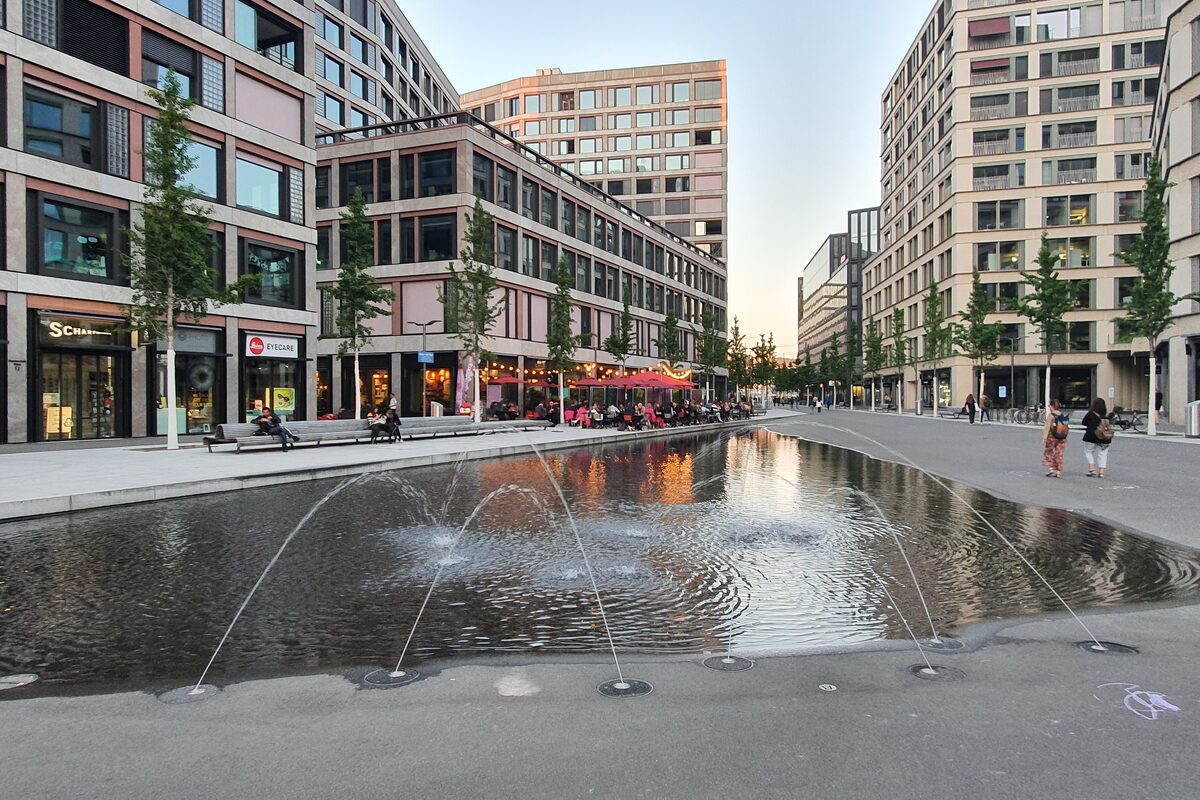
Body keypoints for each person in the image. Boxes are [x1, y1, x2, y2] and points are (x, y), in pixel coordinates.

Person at [1082, 397, 1113, 478]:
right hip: (1105, 437)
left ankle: (1092, 468)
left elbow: (1084, 422)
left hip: (1091, 436)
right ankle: (1101, 472)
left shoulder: (1091, 414)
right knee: (1103, 454)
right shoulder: (1106, 415)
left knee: (1088, 451)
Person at [1042, 399, 1070, 478]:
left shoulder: (1051, 416)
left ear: (1052, 406)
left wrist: (1044, 437)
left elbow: (1047, 427)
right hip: (1062, 437)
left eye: (1049, 405)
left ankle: (1052, 469)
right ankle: (1058, 470)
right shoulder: (1063, 415)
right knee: (1059, 453)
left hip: (1052, 437)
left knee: (1049, 452)